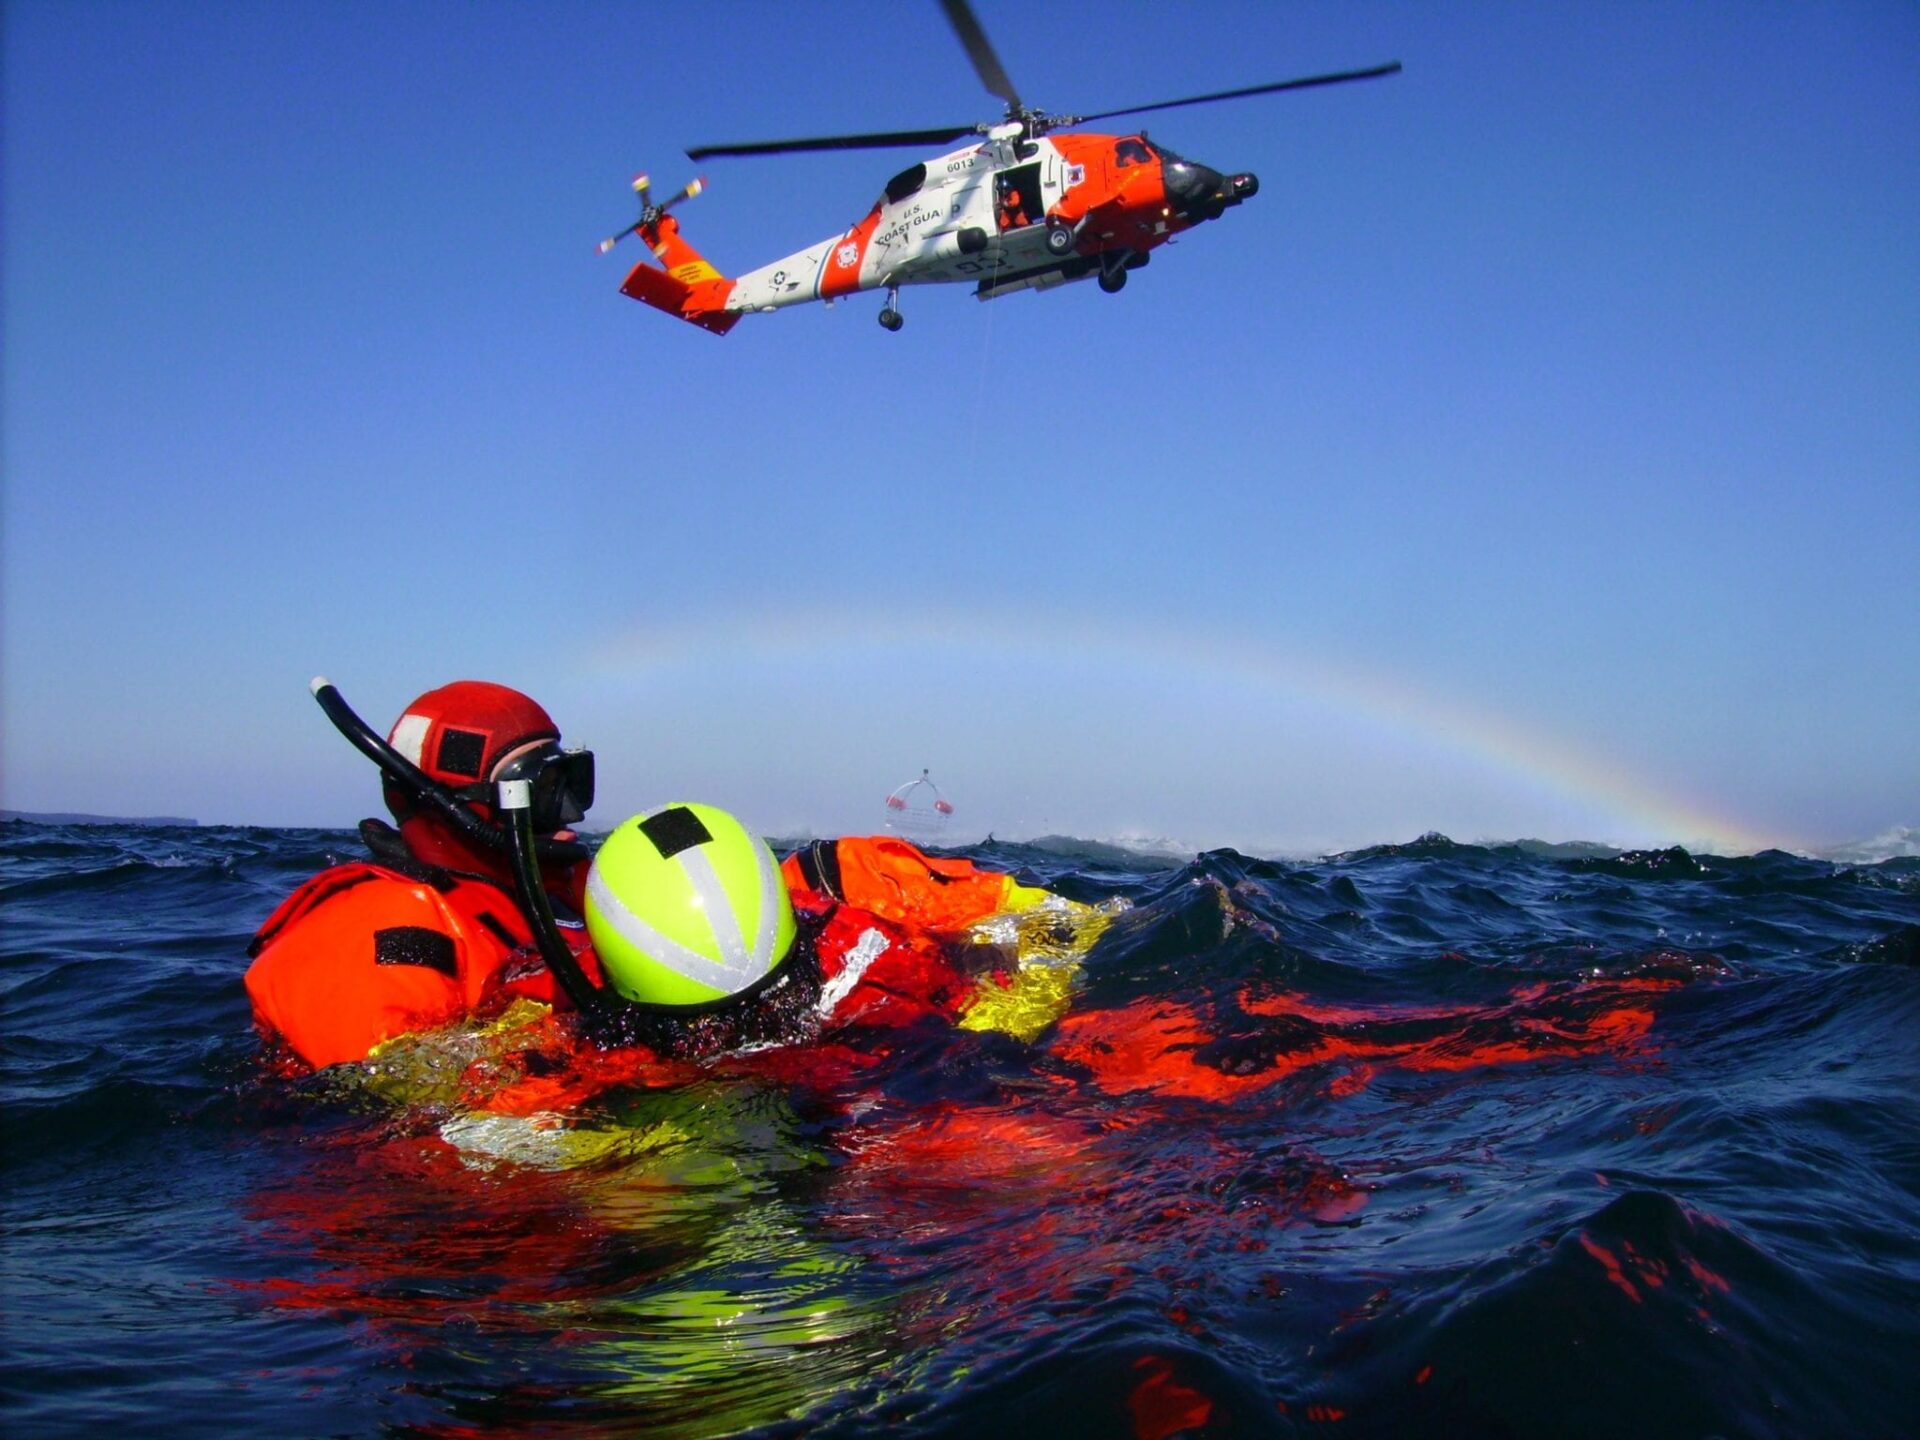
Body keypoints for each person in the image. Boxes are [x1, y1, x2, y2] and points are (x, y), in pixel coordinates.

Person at [245, 679, 1112, 1076]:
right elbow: (403, 1103)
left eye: (571, 783)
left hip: (741, 1066)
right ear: (451, 803)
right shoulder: (379, 932)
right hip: (609, 1162)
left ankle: (1051, 980)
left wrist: (842, 877)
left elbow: (717, 912)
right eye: (544, 789)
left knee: (845, 868)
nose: (566, 816)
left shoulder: (568, 889)